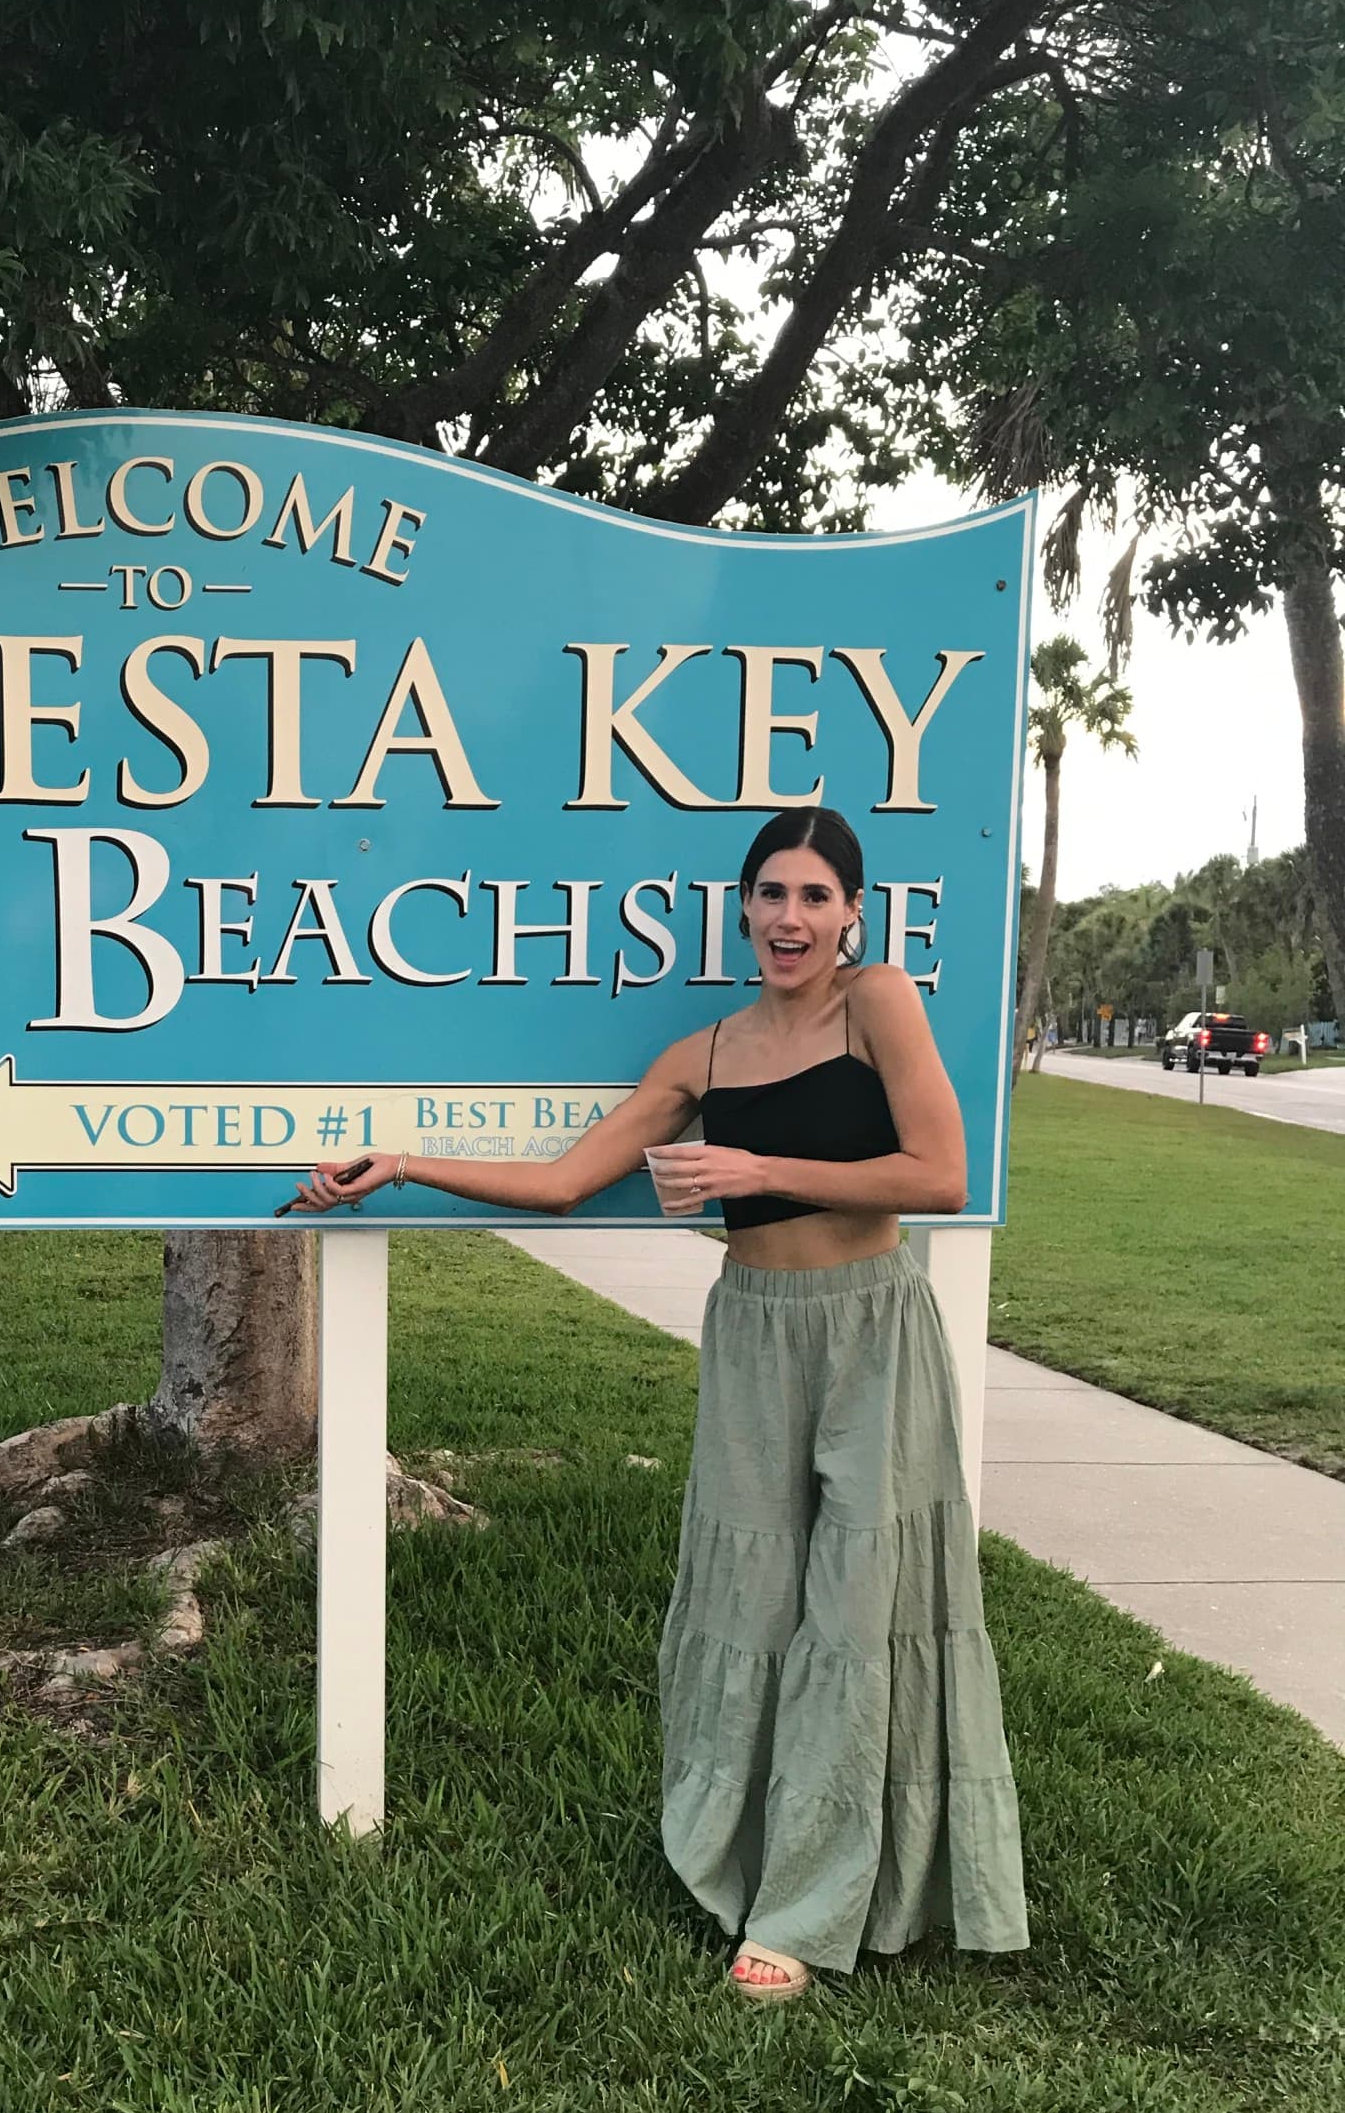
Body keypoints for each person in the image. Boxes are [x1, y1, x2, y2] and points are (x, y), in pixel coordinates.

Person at [289, 808, 1029, 2001]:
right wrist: (405, 1161)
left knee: (854, 1604)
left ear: (851, 913)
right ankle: (745, 1859)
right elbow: (565, 1184)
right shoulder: (703, 1057)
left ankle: (805, 1908)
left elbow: (937, 1174)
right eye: (768, 895)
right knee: (746, 1601)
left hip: (872, 1329)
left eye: (812, 897)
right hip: (751, 1335)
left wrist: (754, 1171)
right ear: (741, 910)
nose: (788, 919)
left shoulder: (877, 1002)